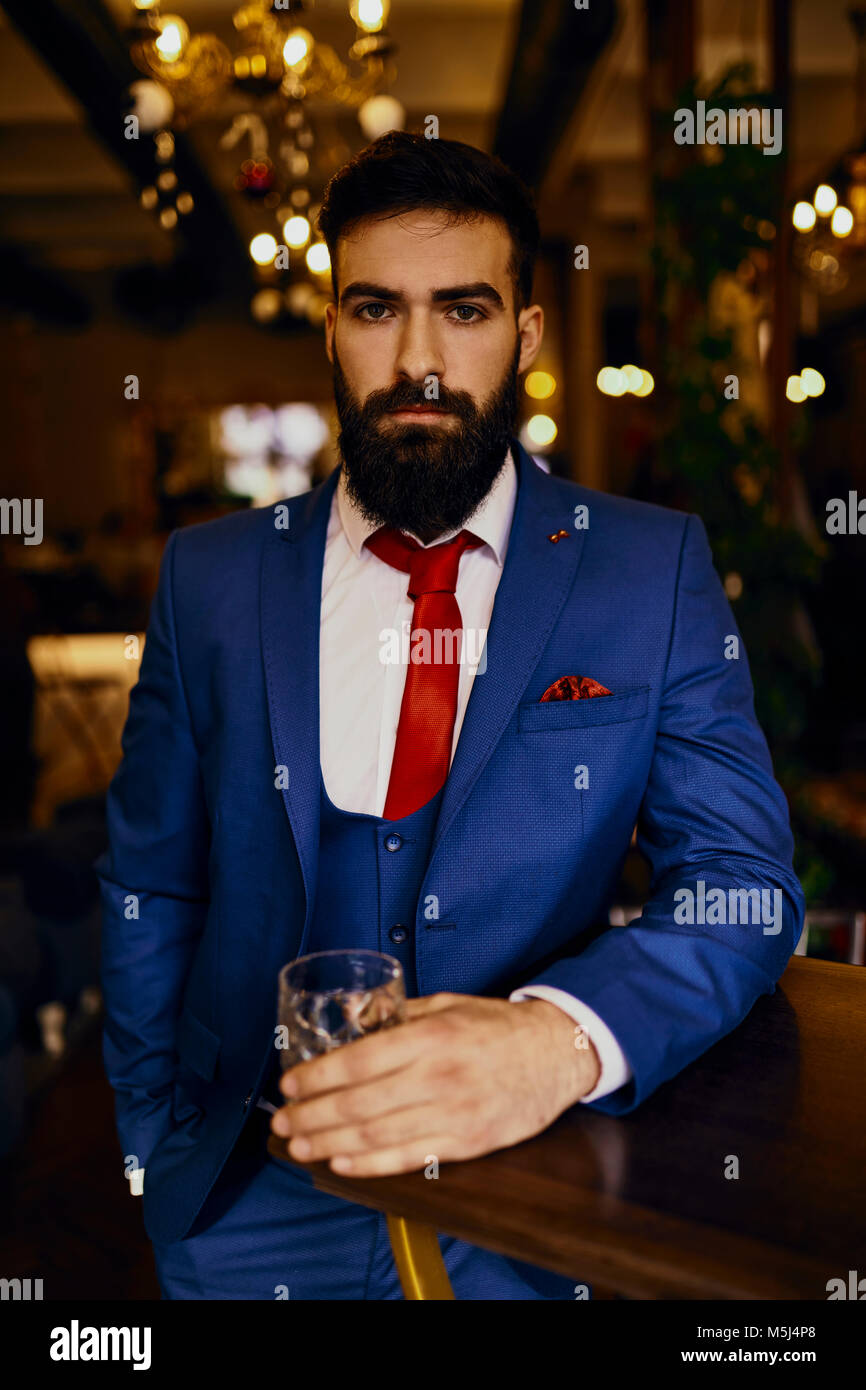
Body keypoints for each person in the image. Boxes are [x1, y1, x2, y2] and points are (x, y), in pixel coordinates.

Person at [95, 131, 804, 1300]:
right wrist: (152, 1147)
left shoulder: (645, 569)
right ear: (330, 328)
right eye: (375, 308)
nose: (417, 358)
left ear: (522, 335)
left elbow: (743, 881)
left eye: (463, 310)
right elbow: (150, 885)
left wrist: (558, 1040)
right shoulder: (210, 578)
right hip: (245, 1198)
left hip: (533, 1196)